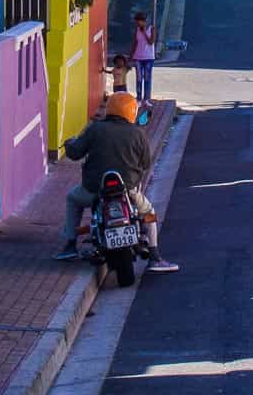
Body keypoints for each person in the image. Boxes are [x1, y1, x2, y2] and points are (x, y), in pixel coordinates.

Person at [54, 92, 178, 271]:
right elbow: (145, 163)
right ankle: (155, 256)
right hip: (128, 192)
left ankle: (70, 245)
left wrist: (69, 144)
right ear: (132, 111)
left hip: (94, 190)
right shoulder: (138, 133)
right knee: (150, 214)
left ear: (110, 108)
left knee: (73, 199)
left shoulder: (95, 129)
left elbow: (75, 153)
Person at [133, 10, 157, 105]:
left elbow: (151, 42)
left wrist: (144, 33)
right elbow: (135, 42)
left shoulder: (152, 29)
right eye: (136, 22)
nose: (137, 24)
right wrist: (131, 56)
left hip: (148, 58)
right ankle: (138, 98)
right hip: (138, 57)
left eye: (138, 22)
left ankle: (146, 99)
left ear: (143, 21)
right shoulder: (137, 29)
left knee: (147, 78)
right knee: (139, 78)